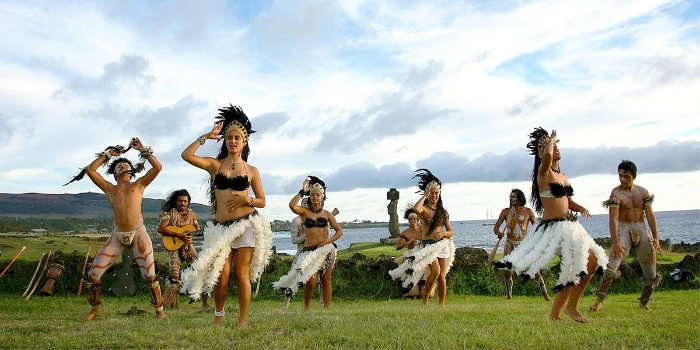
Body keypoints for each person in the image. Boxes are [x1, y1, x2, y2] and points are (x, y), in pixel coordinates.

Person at [495, 128, 608, 323]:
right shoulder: (543, 172)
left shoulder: (562, 176)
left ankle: (559, 312)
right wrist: (551, 140)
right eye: (551, 146)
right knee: (581, 262)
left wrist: (579, 207)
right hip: (554, 228)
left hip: (569, 224)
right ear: (542, 152)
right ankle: (568, 308)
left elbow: (567, 200)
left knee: (590, 262)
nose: (555, 148)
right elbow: (546, 155)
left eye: (557, 145)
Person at [179, 104, 273, 329]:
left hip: (246, 225)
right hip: (221, 228)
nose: (233, 141)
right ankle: (218, 314)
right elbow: (186, 155)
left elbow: (261, 200)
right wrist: (206, 136)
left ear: (244, 142)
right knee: (222, 273)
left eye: (237, 138)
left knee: (241, 273)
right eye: (229, 137)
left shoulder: (251, 170)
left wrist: (245, 200)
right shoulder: (215, 165)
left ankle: (243, 319)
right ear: (225, 140)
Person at [79, 137, 166, 320]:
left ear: (132, 171)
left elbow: (157, 167)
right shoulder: (110, 188)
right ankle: (95, 309)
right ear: (114, 172)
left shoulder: (139, 184)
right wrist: (108, 154)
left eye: (126, 165)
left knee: (149, 274)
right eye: (119, 165)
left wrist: (143, 149)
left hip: (139, 231)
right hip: (118, 234)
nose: (123, 166)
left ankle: (159, 310)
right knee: (94, 274)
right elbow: (90, 170)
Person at [590, 160, 662, 311]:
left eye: (626, 176)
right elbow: (613, 220)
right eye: (620, 176)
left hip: (641, 228)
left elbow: (650, 215)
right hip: (623, 229)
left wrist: (656, 237)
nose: (622, 179)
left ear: (634, 176)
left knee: (651, 272)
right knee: (612, 266)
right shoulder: (616, 193)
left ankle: (644, 303)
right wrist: (615, 242)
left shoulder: (643, 192)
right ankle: (599, 301)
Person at [273, 176, 343, 310]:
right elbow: (291, 205)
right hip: (309, 251)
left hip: (326, 250)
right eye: (312, 195)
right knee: (310, 281)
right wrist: (302, 191)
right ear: (309, 196)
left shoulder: (327, 214)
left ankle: (327, 308)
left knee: (326, 280)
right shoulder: (304, 213)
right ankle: (307, 308)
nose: (315, 197)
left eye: (318, 195)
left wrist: (329, 241)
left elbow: (339, 231)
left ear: (322, 197)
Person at [389, 169, 455, 306]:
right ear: (428, 193)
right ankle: (424, 301)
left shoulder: (443, 212)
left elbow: (450, 231)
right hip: (428, 246)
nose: (434, 195)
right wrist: (425, 195)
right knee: (435, 272)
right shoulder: (424, 209)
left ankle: (442, 304)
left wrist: (443, 234)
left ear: (440, 194)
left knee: (442, 275)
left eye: (436, 193)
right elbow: (416, 209)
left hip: (442, 245)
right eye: (432, 193)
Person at [493, 189, 550, 301]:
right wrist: (499, 233)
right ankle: (509, 296)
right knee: (508, 271)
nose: (511, 199)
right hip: (509, 243)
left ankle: (546, 296)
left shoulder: (528, 212)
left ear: (519, 198)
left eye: (513, 197)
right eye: (510, 196)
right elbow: (496, 227)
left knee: (534, 269)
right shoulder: (505, 212)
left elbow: (536, 227)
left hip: (523, 244)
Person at [157, 189, 209, 309]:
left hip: (188, 247)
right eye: (180, 201)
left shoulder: (192, 215)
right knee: (174, 275)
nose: (183, 203)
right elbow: (161, 228)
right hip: (174, 247)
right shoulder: (169, 214)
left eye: (185, 201)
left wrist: (193, 236)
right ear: (176, 202)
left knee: (202, 268)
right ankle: (171, 304)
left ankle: (205, 302)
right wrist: (179, 235)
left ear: (188, 202)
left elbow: (197, 230)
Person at [394, 207, 433, 299]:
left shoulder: (422, 230)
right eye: (410, 220)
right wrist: (407, 243)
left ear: (418, 220)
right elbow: (397, 247)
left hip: (422, 252)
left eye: (414, 219)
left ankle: (427, 293)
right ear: (408, 221)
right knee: (410, 268)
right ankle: (413, 293)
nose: (412, 221)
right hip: (410, 254)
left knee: (428, 267)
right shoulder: (405, 233)